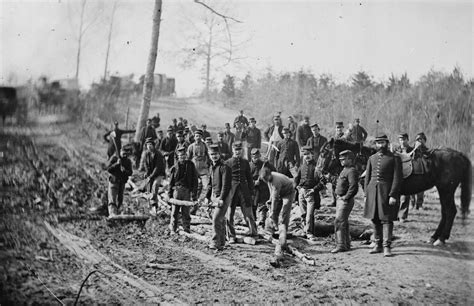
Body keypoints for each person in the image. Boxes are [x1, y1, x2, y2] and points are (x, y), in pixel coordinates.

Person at [364, 134, 402, 257]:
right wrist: (366, 194)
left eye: (383, 142)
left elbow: (397, 179)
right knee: (374, 218)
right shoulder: (372, 158)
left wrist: (393, 195)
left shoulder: (394, 158)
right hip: (372, 192)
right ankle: (377, 244)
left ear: (387, 143)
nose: (381, 145)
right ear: (376, 144)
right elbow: (367, 178)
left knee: (386, 219)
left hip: (386, 193)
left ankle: (387, 246)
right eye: (378, 143)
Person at [259, 167, 296, 260]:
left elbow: (275, 198)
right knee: (274, 211)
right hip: (279, 192)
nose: (265, 180)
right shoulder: (267, 179)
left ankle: (283, 231)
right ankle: (274, 228)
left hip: (288, 192)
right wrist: (270, 200)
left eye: (266, 179)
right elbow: (272, 191)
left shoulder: (276, 180)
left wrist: (271, 211)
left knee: (284, 210)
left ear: (269, 175)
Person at [225, 141, 258, 242]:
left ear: (242, 150)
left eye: (239, 150)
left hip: (244, 190)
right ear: (232, 150)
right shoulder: (228, 163)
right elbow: (225, 180)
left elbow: (249, 178)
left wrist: (252, 192)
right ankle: (231, 236)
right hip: (232, 190)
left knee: (248, 213)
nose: (238, 152)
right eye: (236, 150)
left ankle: (253, 233)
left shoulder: (245, 162)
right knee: (230, 214)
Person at [294, 146, 326, 240]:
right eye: (304, 155)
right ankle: (305, 231)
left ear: (312, 155)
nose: (306, 156)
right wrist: (297, 186)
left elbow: (323, 181)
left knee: (309, 215)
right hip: (301, 193)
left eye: (308, 154)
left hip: (311, 194)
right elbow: (297, 178)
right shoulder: (301, 167)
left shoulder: (316, 167)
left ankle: (310, 233)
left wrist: (314, 190)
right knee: (303, 214)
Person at [332, 150, 359, 253]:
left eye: (344, 159)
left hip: (345, 200)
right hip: (340, 199)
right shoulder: (344, 170)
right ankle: (346, 244)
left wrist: (346, 197)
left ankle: (340, 245)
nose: (341, 161)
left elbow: (353, 187)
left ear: (350, 159)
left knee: (339, 222)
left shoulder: (351, 171)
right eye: (341, 160)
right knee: (344, 222)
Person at [205, 144, 232, 251]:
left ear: (219, 154)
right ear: (209, 155)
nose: (214, 156)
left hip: (224, 196)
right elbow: (210, 184)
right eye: (212, 154)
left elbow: (226, 185)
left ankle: (214, 242)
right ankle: (222, 243)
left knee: (216, 219)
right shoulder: (212, 166)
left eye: (215, 154)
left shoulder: (225, 167)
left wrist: (221, 198)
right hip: (215, 196)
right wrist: (207, 196)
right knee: (219, 220)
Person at [168, 146, 199, 233]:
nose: (182, 157)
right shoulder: (174, 167)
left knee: (186, 212)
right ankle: (173, 228)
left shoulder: (191, 165)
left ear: (186, 155)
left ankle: (186, 229)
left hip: (187, 191)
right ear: (178, 156)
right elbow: (171, 182)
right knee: (174, 211)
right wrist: (169, 195)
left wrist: (194, 194)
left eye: (184, 155)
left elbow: (195, 180)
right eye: (180, 156)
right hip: (177, 191)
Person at [249, 148, 276, 228]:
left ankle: (262, 222)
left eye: (258, 157)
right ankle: (253, 224)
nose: (256, 159)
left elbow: (274, 171)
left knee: (263, 206)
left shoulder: (264, 164)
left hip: (263, 188)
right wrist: (254, 182)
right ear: (251, 157)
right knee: (252, 206)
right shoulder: (248, 166)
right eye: (254, 157)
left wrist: (268, 163)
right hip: (253, 189)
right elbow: (245, 178)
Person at [140, 138, 166, 215]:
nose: (149, 146)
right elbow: (146, 164)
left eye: (150, 145)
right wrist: (147, 173)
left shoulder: (158, 154)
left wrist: (151, 176)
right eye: (148, 145)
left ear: (154, 146)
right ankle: (153, 207)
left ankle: (153, 203)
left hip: (159, 174)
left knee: (155, 185)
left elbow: (157, 167)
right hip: (151, 174)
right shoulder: (146, 154)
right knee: (149, 188)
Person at [394, 133, 415, 222]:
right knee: (395, 195)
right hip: (397, 175)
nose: (402, 141)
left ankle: (402, 216)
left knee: (405, 196)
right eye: (400, 140)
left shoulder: (412, 150)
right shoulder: (396, 149)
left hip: (408, 174)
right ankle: (394, 215)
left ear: (407, 140)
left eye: (403, 139)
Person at [106, 147, 133, 216]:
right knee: (112, 199)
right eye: (124, 153)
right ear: (120, 152)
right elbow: (108, 169)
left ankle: (118, 213)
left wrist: (125, 171)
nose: (125, 155)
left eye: (126, 154)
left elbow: (130, 172)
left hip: (122, 183)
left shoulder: (128, 161)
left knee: (120, 200)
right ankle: (112, 214)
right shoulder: (114, 158)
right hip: (113, 182)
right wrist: (116, 164)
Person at [187, 129, 209, 200]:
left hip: (203, 169)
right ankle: (195, 199)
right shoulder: (191, 146)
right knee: (195, 186)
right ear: (194, 137)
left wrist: (208, 164)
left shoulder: (205, 146)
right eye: (196, 136)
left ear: (201, 137)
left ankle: (202, 199)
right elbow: (188, 158)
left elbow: (208, 155)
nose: (198, 137)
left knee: (206, 186)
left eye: (199, 136)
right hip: (194, 169)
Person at [412, 132, 428, 209]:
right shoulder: (412, 149)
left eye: (421, 139)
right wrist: (414, 149)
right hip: (412, 171)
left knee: (421, 189)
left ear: (424, 141)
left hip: (423, 172)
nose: (419, 141)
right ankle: (412, 204)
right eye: (418, 139)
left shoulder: (427, 151)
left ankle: (419, 204)